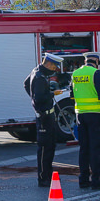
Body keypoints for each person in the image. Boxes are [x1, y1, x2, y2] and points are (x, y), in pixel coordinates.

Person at [71, 52, 100, 190]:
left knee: (84, 148)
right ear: (96, 60)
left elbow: (72, 95)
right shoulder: (96, 73)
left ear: (85, 60)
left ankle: (83, 180)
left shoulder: (75, 74)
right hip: (95, 115)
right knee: (95, 148)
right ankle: (97, 181)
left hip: (80, 115)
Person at [24, 53, 64, 187]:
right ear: (47, 63)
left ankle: (47, 174)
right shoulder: (40, 77)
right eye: (53, 66)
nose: (54, 69)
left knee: (51, 146)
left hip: (48, 115)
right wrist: (52, 93)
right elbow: (40, 98)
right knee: (44, 148)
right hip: (44, 117)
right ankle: (43, 178)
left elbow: (25, 84)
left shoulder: (36, 71)